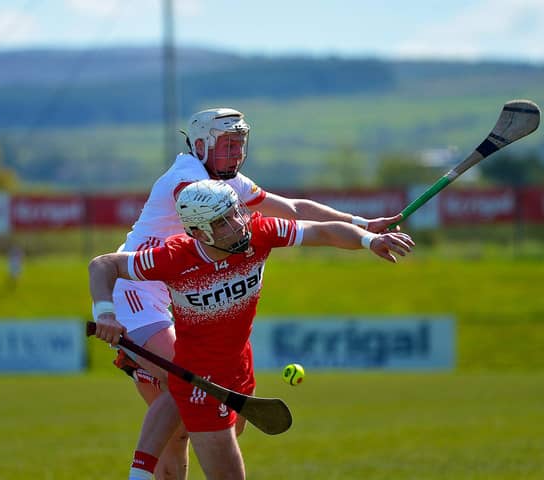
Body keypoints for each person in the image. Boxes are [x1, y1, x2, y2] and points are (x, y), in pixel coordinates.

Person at [104, 107, 405, 479]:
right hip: (136, 290)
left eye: (240, 145)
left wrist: (361, 225)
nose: (236, 154)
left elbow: (294, 209)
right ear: (200, 146)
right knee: (185, 379)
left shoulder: (225, 181)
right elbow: (208, 213)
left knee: (182, 430)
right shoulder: (192, 179)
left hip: (172, 295)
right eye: (227, 145)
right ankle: (139, 473)